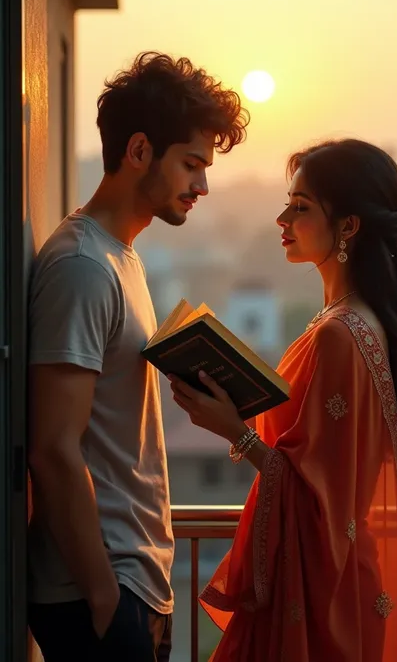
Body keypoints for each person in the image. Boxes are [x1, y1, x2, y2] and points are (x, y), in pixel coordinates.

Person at [168, 138, 397, 661]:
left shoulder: (341, 332)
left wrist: (235, 430)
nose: (281, 219)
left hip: (321, 593)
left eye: (301, 206)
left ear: (349, 226)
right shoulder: (356, 321)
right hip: (337, 578)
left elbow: (320, 502)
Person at [27, 51, 249, 662]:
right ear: (140, 151)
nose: (201, 185)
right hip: (98, 588)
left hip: (134, 580)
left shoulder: (122, 258)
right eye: (191, 164)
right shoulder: (81, 267)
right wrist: (103, 594)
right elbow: (53, 447)